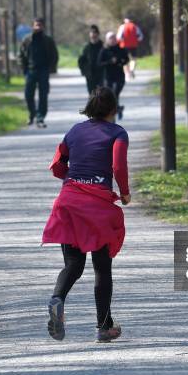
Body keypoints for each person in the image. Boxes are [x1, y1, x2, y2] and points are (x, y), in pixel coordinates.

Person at [42, 86, 130, 343]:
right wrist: (124, 193)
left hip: (68, 202)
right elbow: (118, 165)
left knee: (73, 264)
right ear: (114, 109)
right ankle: (104, 327)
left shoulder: (74, 131)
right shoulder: (118, 133)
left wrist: (72, 177)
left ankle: (57, 299)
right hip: (97, 207)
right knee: (102, 267)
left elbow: (58, 164)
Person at [19, 17, 59, 128]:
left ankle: (40, 117)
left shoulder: (48, 40)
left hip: (43, 71)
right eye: (36, 25)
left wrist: (50, 68)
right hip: (30, 71)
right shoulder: (27, 40)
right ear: (33, 26)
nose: (38, 27)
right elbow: (21, 55)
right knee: (28, 95)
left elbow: (54, 56)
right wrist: (24, 69)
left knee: (43, 95)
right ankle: (32, 114)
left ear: (43, 27)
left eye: (40, 25)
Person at [97, 32, 129, 120]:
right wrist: (110, 62)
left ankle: (116, 109)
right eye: (110, 38)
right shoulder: (104, 50)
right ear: (107, 40)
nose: (112, 40)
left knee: (115, 93)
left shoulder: (121, 49)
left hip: (119, 76)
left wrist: (120, 62)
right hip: (108, 77)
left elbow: (126, 60)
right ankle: (115, 111)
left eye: (114, 38)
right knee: (111, 95)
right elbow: (99, 63)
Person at [78, 24, 104, 94]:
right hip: (90, 75)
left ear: (98, 34)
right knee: (92, 94)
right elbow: (81, 60)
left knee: (101, 94)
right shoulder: (86, 47)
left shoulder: (103, 46)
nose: (93, 35)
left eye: (95, 33)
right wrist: (84, 71)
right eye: (91, 33)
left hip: (101, 75)